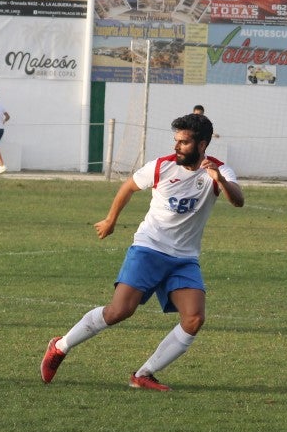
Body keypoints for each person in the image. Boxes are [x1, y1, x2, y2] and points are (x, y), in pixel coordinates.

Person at [40, 112, 244, 391]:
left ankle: (143, 374)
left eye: (184, 142)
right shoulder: (161, 166)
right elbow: (128, 187)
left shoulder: (219, 171)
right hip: (149, 248)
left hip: (184, 259)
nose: (176, 147)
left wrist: (218, 178)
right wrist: (111, 220)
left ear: (202, 145)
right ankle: (60, 346)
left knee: (194, 318)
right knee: (119, 311)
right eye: (176, 141)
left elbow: (238, 200)